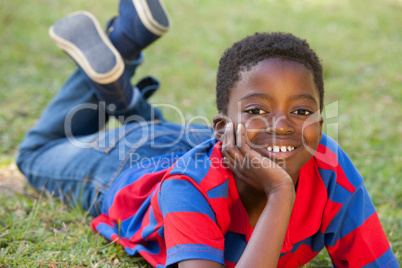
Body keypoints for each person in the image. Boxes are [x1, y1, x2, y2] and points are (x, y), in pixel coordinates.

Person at [16, 1, 398, 267]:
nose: (282, 125)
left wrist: (263, 150)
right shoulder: (188, 189)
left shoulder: (328, 165)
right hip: (130, 166)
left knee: (173, 132)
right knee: (33, 154)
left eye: (301, 111)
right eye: (257, 110)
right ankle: (124, 53)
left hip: (207, 146)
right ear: (223, 128)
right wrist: (280, 191)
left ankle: (126, 81)